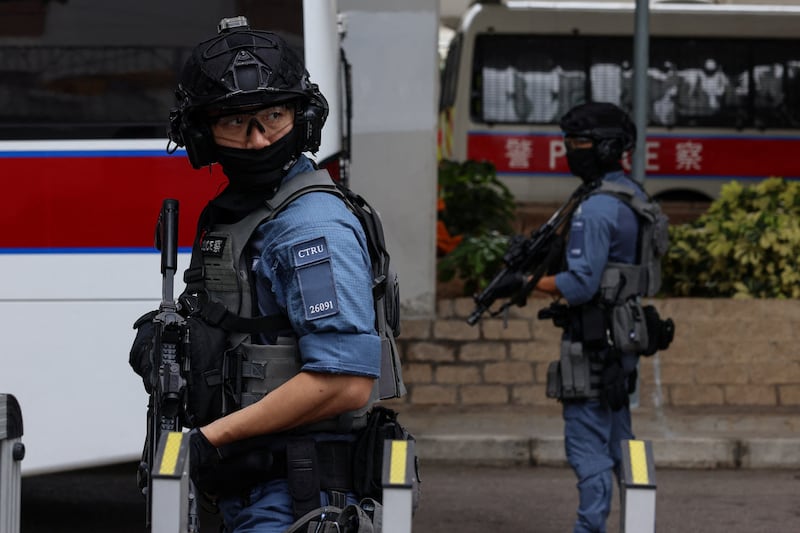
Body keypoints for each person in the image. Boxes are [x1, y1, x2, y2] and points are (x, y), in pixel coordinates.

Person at [134, 17, 383, 533]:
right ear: (203, 134)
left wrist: (205, 442)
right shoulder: (241, 212)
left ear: (303, 117)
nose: (258, 139)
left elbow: (345, 383)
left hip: (295, 491)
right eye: (233, 122)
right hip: (250, 484)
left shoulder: (310, 224)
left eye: (274, 115)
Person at [535, 101, 643, 533]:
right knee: (620, 439)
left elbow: (580, 284)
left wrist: (530, 283)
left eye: (578, 144)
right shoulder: (631, 195)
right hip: (624, 334)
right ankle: (638, 522)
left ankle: (589, 528)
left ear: (605, 148)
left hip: (595, 340)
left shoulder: (596, 208)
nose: (570, 152)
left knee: (586, 444)